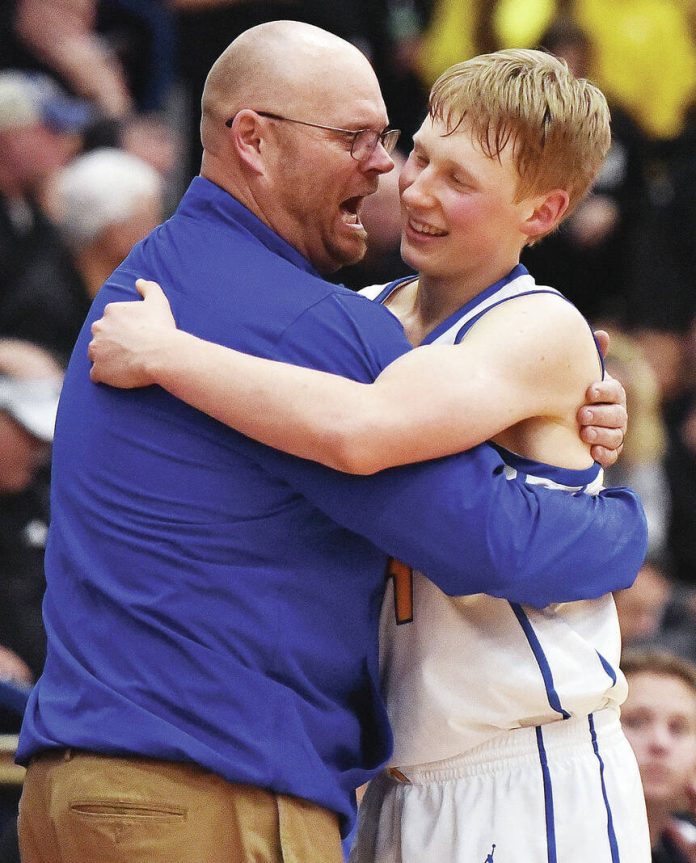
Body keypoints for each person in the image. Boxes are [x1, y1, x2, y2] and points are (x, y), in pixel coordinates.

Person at [19, 23, 643, 863]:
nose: (402, 179)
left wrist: (614, 511)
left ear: (543, 211)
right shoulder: (343, 318)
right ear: (254, 139)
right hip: (259, 783)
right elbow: (476, 521)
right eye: (409, 152)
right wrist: (615, 529)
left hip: (519, 760)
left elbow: (370, 432)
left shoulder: (159, 283)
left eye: (450, 174)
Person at [621, 649, 696, 863]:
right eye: (636, 722)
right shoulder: (559, 841)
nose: (660, 743)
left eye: (678, 728)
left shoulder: (687, 843)